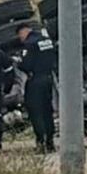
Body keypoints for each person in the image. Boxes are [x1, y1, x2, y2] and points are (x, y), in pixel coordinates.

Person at [17, 22, 57, 153]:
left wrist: (19, 62)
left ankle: (41, 142)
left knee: (36, 112)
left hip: (35, 80)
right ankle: (50, 142)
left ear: (24, 32)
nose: (20, 39)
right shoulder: (47, 40)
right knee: (47, 111)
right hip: (48, 78)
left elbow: (26, 65)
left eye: (19, 36)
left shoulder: (29, 44)